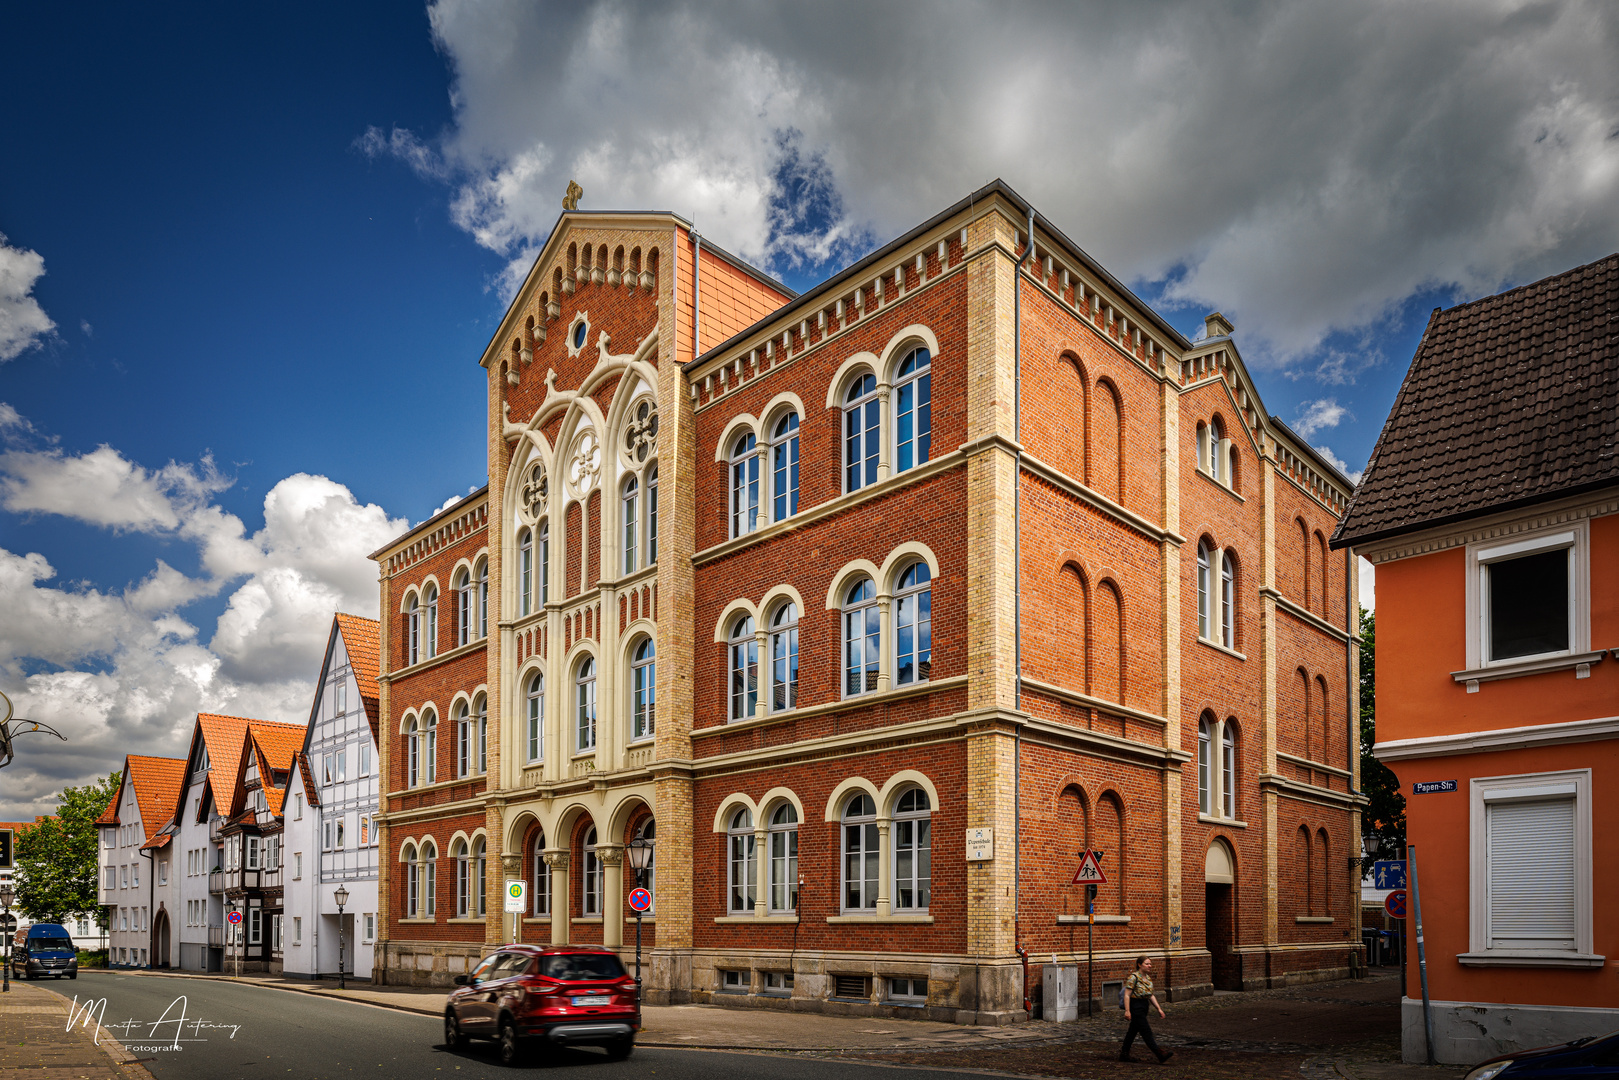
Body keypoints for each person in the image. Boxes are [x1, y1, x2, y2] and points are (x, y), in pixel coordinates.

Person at [1119, 955, 1173, 1063]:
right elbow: (1127, 995)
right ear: (1139, 965)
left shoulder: (1148, 978)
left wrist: (1159, 1009)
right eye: (1147, 964)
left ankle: (1124, 1053)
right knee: (1146, 1031)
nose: (1150, 966)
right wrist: (1127, 1011)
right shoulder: (1133, 977)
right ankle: (1159, 1053)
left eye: (1150, 964)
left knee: (1133, 1031)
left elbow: (1150, 995)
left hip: (1144, 1006)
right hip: (1136, 1006)